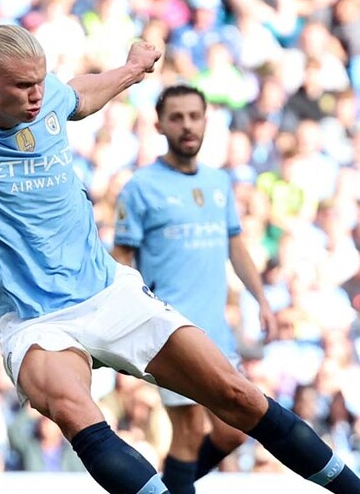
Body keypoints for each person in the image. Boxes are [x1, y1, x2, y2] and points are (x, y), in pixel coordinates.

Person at [0, 24, 360, 494]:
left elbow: (79, 96)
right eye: (23, 86)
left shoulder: (48, 100)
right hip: (36, 320)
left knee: (239, 397)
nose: (36, 95)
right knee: (76, 411)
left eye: (41, 82)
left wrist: (131, 71)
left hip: (110, 292)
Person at [111, 84, 277, 494]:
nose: (187, 126)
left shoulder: (219, 182)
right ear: (160, 124)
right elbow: (121, 261)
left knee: (234, 432)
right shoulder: (140, 187)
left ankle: (166, 490)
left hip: (216, 332)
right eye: (177, 117)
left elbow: (235, 244)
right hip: (171, 333)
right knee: (186, 431)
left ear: (206, 121)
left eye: (194, 116)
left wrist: (263, 301)